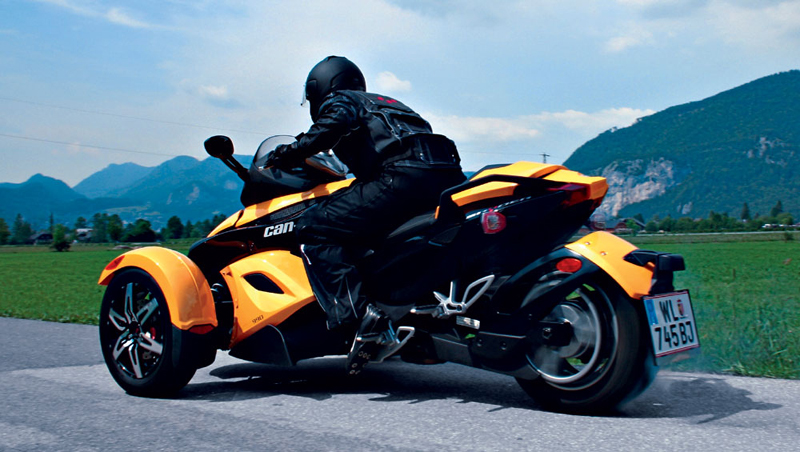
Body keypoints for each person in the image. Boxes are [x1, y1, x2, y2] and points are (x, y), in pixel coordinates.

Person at [266, 56, 466, 373]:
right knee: (388, 238)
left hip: (401, 176)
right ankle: (418, 318)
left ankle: (359, 321)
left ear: (321, 87)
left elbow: (330, 127)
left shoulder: (342, 99)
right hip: (447, 177)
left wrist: (288, 153)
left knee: (314, 227)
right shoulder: (391, 104)